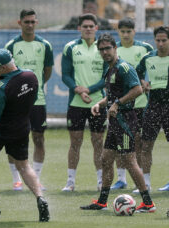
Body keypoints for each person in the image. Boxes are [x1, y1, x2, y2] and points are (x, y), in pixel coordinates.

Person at [80, 33, 155, 213]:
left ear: (115, 48)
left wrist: (117, 104)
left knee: (129, 161)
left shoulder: (124, 67)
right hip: (115, 122)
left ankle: (148, 203)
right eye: (101, 50)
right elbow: (114, 95)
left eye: (107, 48)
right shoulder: (110, 69)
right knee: (106, 159)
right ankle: (102, 202)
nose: (105, 52)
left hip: (125, 121)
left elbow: (138, 89)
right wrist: (101, 103)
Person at [0, 49, 49, 223]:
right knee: (24, 166)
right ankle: (40, 198)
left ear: (1, 68)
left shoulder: (1, 86)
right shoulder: (32, 77)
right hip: (21, 129)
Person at [5, 9, 53, 191]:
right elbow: (7, 73)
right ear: (20, 23)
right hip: (16, 102)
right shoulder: (11, 45)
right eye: (27, 22)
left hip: (37, 100)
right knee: (14, 139)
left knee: (39, 139)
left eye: (33, 22)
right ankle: (17, 179)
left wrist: (34, 87)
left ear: (36, 22)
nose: (30, 25)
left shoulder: (44, 45)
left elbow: (46, 72)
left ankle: (36, 178)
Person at [61, 13, 105, 192]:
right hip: (76, 103)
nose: (88, 29)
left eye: (91, 26)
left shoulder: (104, 47)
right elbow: (65, 75)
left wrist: (89, 90)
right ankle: (70, 182)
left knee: (98, 142)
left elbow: (106, 77)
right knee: (75, 143)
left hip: (97, 103)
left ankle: (102, 181)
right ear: (79, 28)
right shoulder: (70, 47)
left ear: (97, 28)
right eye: (84, 26)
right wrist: (78, 89)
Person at [110, 18, 153, 191]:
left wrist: (146, 82)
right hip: (122, 105)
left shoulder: (145, 49)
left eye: (129, 31)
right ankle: (121, 179)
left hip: (141, 104)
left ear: (134, 31)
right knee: (122, 142)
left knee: (140, 142)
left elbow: (149, 69)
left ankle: (141, 179)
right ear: (118, 32)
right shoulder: (114, 50)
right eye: (123, 31)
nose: (126, 34)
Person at [136, 26, 169, 192]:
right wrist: (143, 82)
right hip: (154, 105)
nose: (161, 43)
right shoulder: (148, 58)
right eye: (158, 40)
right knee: (146, 145)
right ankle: (145, 183)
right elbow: (137, 73)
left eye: (164, 40)